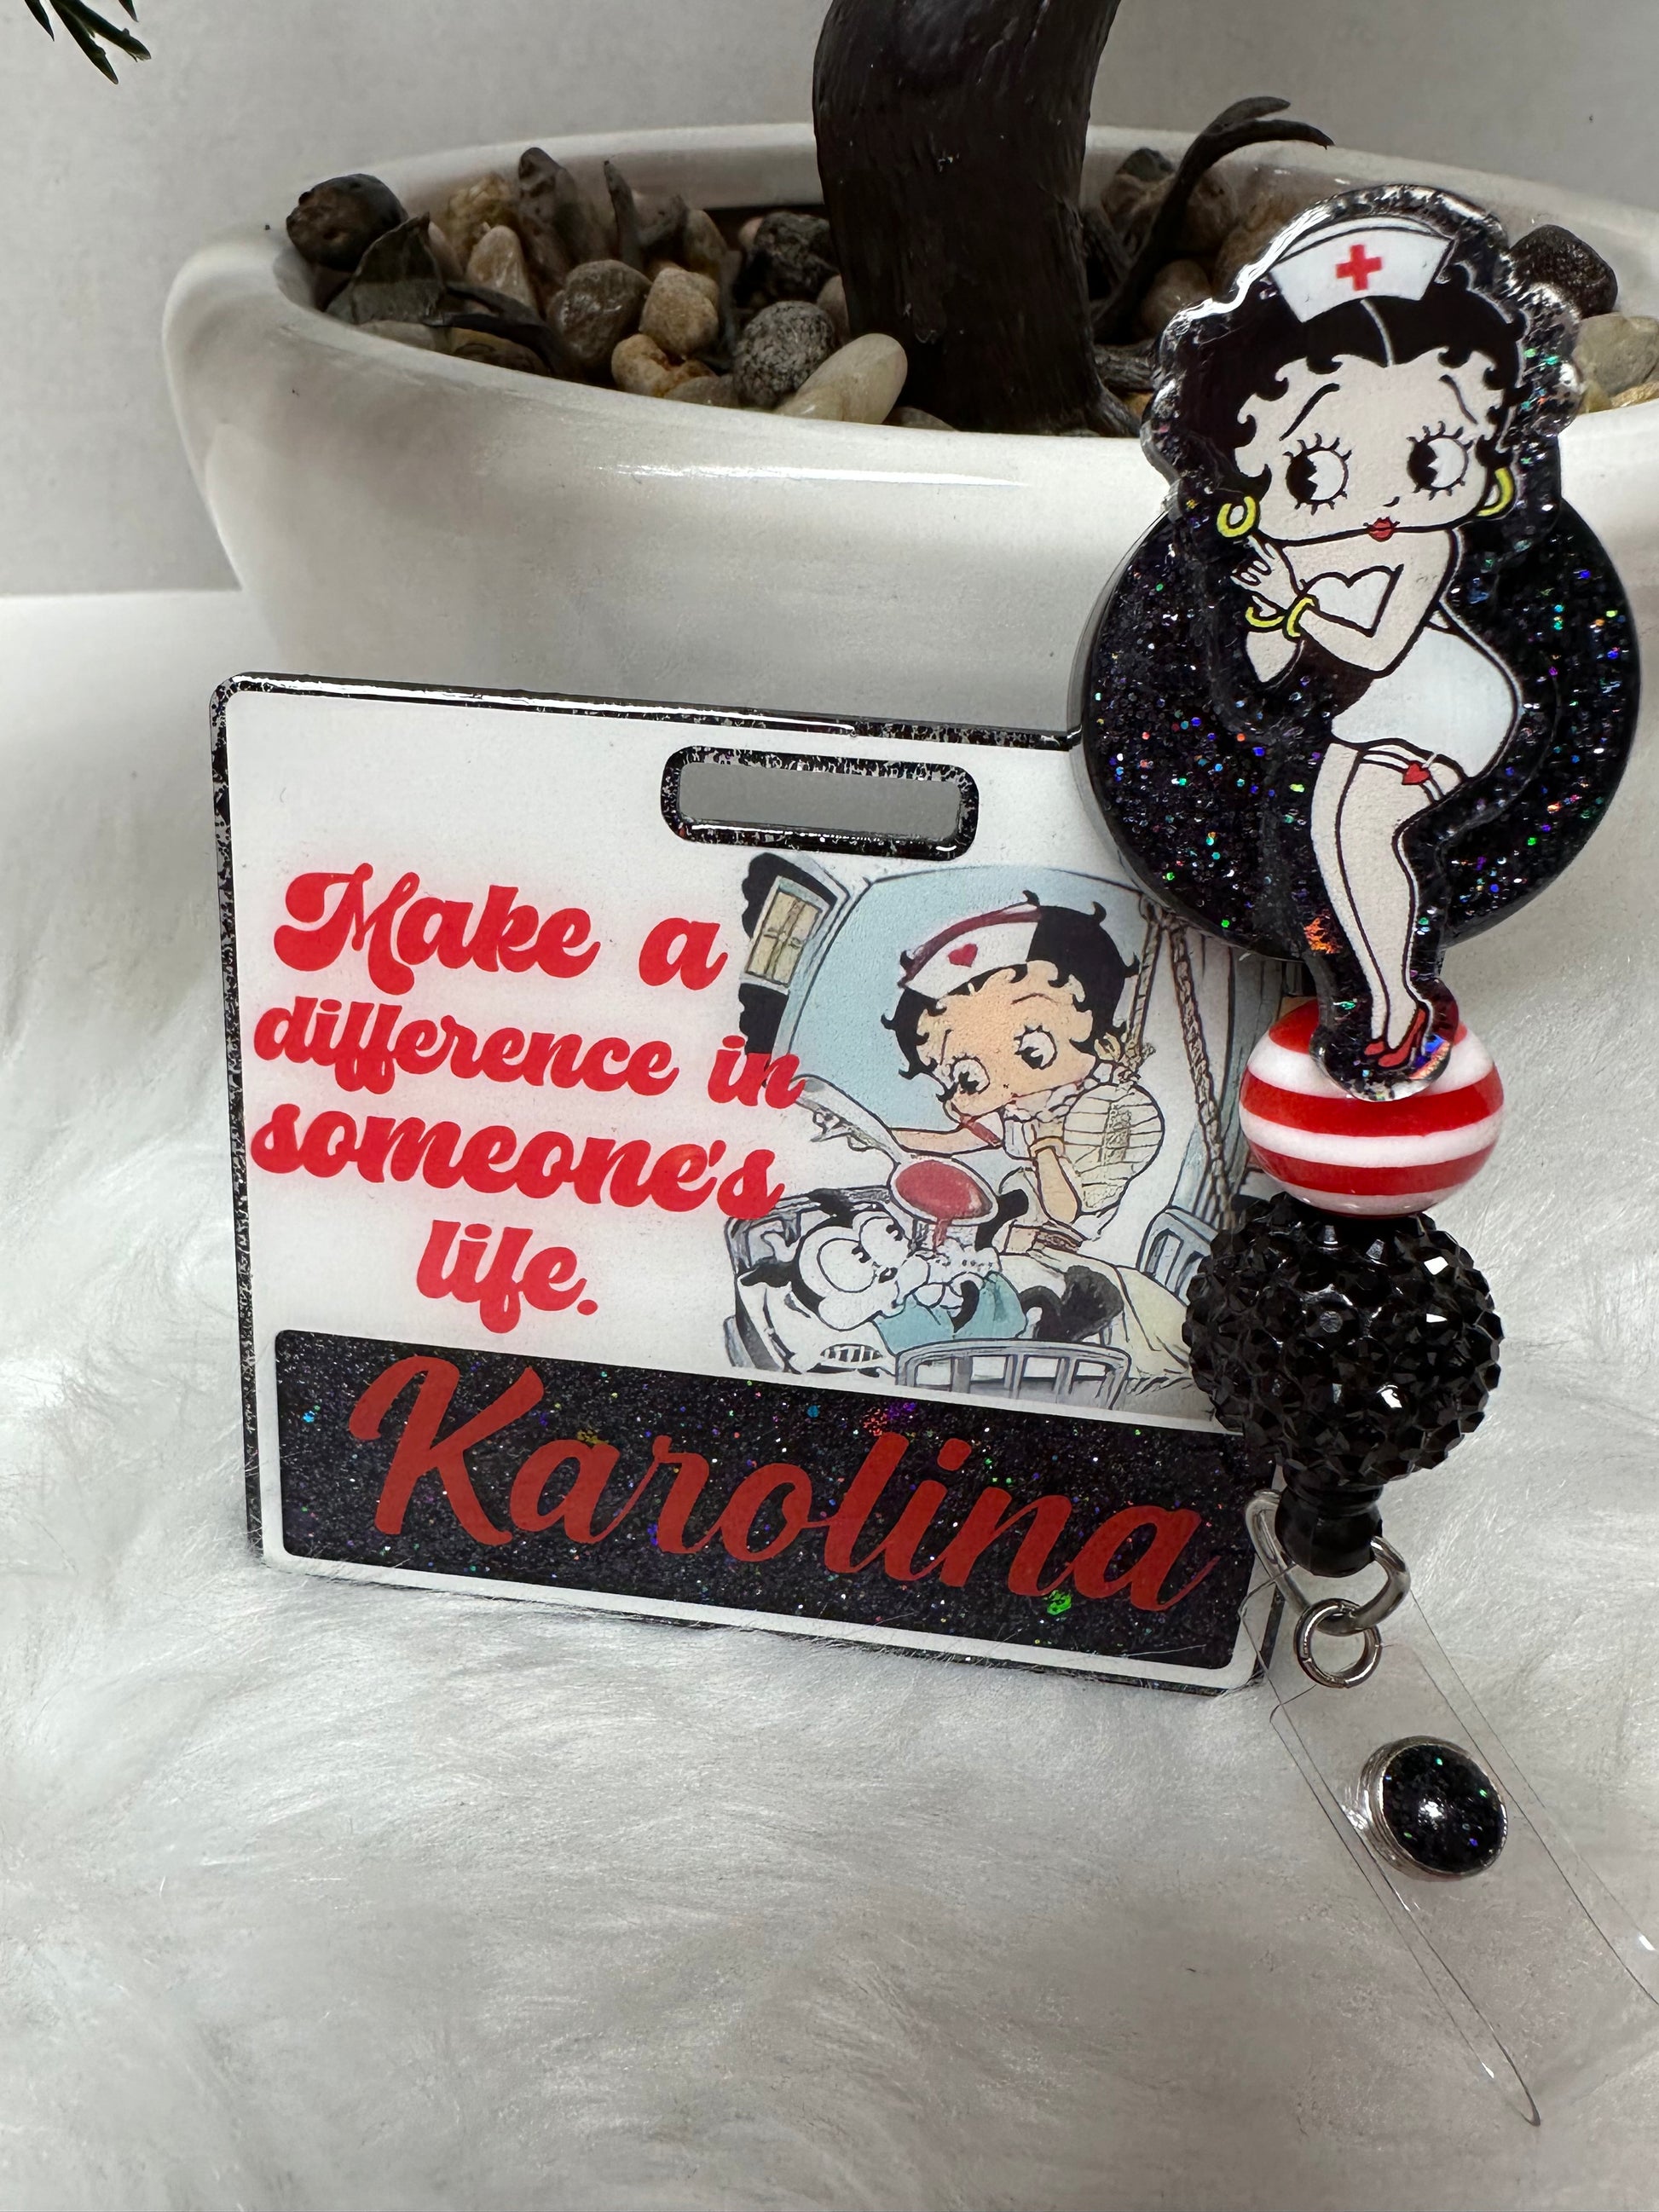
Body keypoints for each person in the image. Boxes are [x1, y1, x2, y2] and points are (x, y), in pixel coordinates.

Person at [1154, 201, 1534, 1086]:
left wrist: (1291, 609)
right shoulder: (1291, 547)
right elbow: (1267, 675)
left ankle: (1399, 1006)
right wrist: (1264, 617)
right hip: (1369, 719)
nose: (1383, 503)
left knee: (1363, 831)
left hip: (1448, 705)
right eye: (1317, 471)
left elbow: (1375, 645)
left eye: (1431, 459)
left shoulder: (1425, 545)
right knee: (1328, 837)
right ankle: (1382, 999)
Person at [882, 898, 1188, 1380]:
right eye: (969, 1074)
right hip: (1014, 1234)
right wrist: (878, 1134)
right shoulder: (1024, 1109)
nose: (1006, 1085)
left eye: (1032, 1051)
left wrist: (1046, 1144)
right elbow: (952, 1142)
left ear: (1102, 1043)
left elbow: (1066, 1210)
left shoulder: (1107, 1113)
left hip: (1061, 1249)